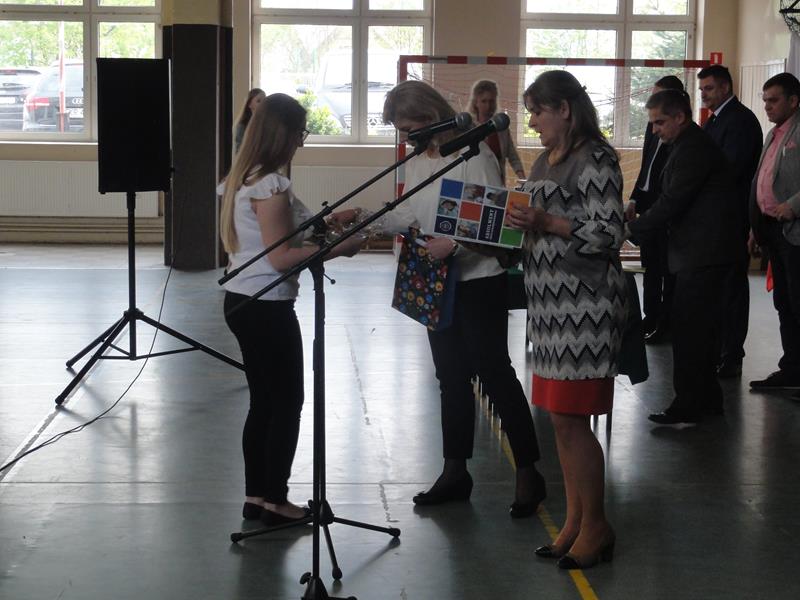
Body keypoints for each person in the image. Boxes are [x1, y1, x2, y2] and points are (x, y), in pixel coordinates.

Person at [333, 80, 546, 517]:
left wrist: (455, 245)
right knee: (450, 376)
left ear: (431, 118)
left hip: (480, 280)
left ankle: (528, 470)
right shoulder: (419, 162)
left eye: (410, 129)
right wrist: (365, 219)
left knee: (495, 374)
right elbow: (409, 213)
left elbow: (497, 221)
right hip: (439, 282)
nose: (406, 138)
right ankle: (455, 470)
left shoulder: (475, 155)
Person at [219, 93, 364, 524]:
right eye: (300, 133)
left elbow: (284, 234)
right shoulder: (271, 187)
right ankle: (276, 501)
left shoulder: (244, 179)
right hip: (266, 305)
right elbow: (281, 257)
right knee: (286, 403)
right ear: (281, 134)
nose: (301, 142)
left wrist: (330, 222)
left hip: (242, 302)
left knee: (264, 403)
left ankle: (256, 498)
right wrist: (339, 248)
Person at [506, 70, 627, 570]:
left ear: (565, 110)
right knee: (560, 420)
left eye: (538, 111)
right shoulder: (544, 159)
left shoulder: (596, 158)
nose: (532, 121)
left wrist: (546, 221)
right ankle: (576, 521)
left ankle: (596, 526)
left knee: (573, 420)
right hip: (549, 309)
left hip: (585, 309)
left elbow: (610, 232)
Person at [628, 89, 739, 424]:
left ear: (680, 116)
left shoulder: (693, 149)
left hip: (703, 252)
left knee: (691, 331)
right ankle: (707, 400)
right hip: (698, 251)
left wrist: (631, 230)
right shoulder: (684, 145)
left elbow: (673, 201)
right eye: (652, 123)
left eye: (660, 122)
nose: (655, 130)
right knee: (698, 330)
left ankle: (689, 404)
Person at [697, 65, 763, 377]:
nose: (703, 94)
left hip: (731, 217)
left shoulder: (740, 121)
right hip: (714, 217)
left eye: (709, 88)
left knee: (732, 287)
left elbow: (729, 169)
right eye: (701, 89)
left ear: (725, 87)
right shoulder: (715, 120)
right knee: (718, 287)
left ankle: (732, 353)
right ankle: (719, 348)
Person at [748, 73, 800, 395]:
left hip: (795, 230)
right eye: (765, 100)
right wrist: (755, 227)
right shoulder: (773, 133)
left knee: (797, 301)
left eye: (774, 100)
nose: (767, 106)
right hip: (772, 230)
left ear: (793, 100)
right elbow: (763, 180)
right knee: (784, 302)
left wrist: (793, 205)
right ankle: (792, 369)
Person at [625, 75, 685, 343]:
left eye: (658, 94)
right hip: (648, 205)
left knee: (667, 270)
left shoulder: (683, 140)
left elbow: (673, 188)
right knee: (649, 267)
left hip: (666, 212)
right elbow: (646, 167)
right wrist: (634, 199)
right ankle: (650, 317)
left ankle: (666, 321)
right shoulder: (654, 129)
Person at [468, 79, 525, 184]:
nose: (488, 105)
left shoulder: (502, 129)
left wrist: (523, 179)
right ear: (476, 102)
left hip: (497, 182)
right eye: (484, 101)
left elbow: (513, 157)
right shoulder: (469, 128)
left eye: (491, 101)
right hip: (474, 182)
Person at [233, 88, 266, 154]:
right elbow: (239, 150)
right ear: (249, 104)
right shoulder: (242, 125)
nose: (262, 104)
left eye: (264, 101)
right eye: (259, 101)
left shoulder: (267, 124)